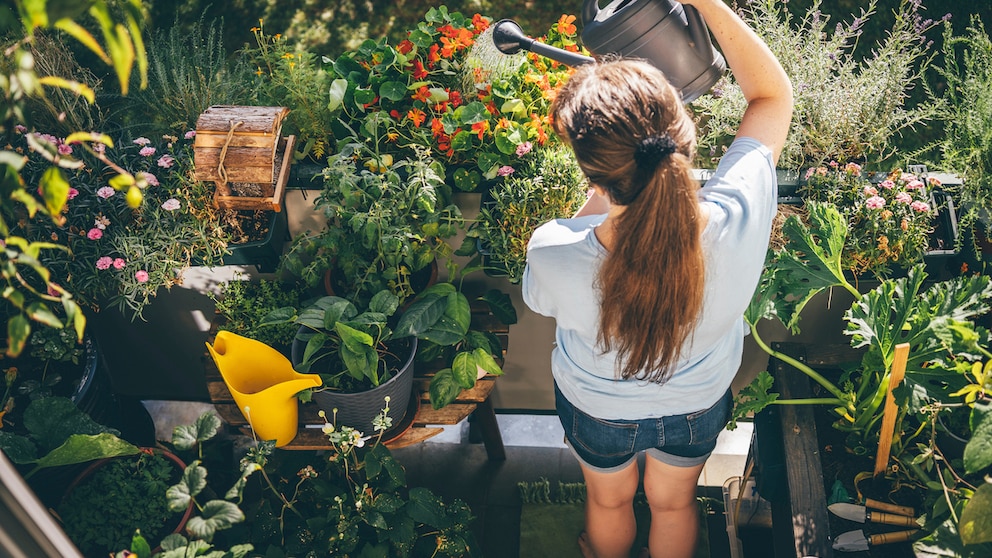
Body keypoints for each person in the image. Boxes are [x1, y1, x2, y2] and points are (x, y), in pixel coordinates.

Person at [520, 1, 793, 557]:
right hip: (696, 402)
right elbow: (771, 96)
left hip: (596, 408)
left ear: (589, 166)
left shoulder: (553, 250)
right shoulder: (737, 217)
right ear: (682, 133)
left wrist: (598, 196)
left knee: (609, 503)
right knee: (674, 504)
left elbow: (553, 286)